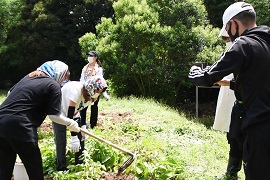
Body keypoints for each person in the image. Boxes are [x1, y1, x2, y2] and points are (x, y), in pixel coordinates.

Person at [189, 2, 270, 179]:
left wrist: (194, 72)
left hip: (259, 129)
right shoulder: (265, 40)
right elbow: (257, 81)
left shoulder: (243, 44)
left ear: (233, 24)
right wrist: (232, 84)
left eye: (227, 29)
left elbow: (206, 77)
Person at [0, 60, 80, 180]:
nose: (63, 80)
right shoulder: (53, 85)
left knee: (4, 171)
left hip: (1, 122)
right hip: (22, 127)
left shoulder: (28, 78)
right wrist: (71, 123)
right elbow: (54, 116)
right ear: (58, 74)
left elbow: (10, 93)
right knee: (35, 171)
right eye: (64, 76)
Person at [52, 76, 108, 171]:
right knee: (61, 140)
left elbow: (83, 110)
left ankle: (80, 164)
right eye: (98, 92)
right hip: (60, 114)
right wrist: (73, 136)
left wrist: (83, 126)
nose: (98, 95)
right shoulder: (75, 90)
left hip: (74, 113)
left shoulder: (90, 96)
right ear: (92, 88)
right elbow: (69, 115)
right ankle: (61, 168)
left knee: (81, 137)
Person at [213, 34, 242, 179]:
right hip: (230, 97)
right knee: (233, 136)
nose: (228, 41)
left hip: (243, 99)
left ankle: (233, 172)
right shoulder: (231, 50)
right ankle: (232, 172)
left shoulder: (242, 48)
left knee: (240, 138)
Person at [80, 50, 110, 129]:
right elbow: (82, 79)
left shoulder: (99, 69)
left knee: (94, 107)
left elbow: (100, 81)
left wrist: (104, 93)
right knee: (83, 107)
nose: (89, 58)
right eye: (88, 56)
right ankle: (82, 124)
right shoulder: (85, 68)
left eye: (91, 56)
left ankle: (93, 125)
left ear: (95, 58)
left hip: (94, 90)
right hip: (85, 89)